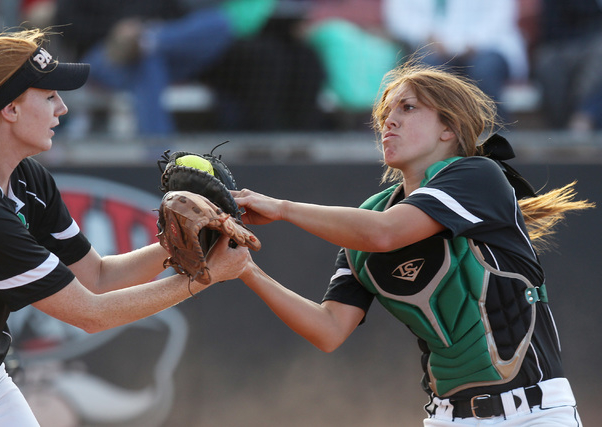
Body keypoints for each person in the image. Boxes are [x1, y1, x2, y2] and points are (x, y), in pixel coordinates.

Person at [230, 60, 592, 425]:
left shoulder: (478, 176)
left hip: (533, 414)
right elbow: (329, 330)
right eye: (386, 113)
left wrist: (282, 209)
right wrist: (246, 269)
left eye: (408, 108)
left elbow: (385, 233)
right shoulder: (367, 218)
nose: (389, 121)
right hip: (447, 417)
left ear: (448, 128)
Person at [0, 29, 248, 426]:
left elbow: (97, 277)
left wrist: (192, 234)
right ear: (10, 109)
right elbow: (90, 314)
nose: (62, 108)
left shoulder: (28, 180)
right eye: (49, 96)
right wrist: (207, 276)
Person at [54, 0, 278, 135]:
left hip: (160, 46)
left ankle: (149, 39)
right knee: (148, 61)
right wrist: (117, 33)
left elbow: (175, 12)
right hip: (102, 55)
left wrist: (143, 28)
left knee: (219, 21)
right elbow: (67, 27)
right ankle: (158, 152)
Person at [381, 0, 529, 123]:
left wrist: (472, 42)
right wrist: (426, 35)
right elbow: (398, 17)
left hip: (489, 46)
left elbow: (500, 17)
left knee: (484, 70)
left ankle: (495, 135)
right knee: (428, 74)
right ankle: (437, 137)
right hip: (433, 50)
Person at [532, 0, 602, 132]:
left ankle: (583, 117)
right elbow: (549, 28)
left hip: (594, 42)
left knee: (596, 60)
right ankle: (563, 131)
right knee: (548, 64)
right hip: (560, 43)